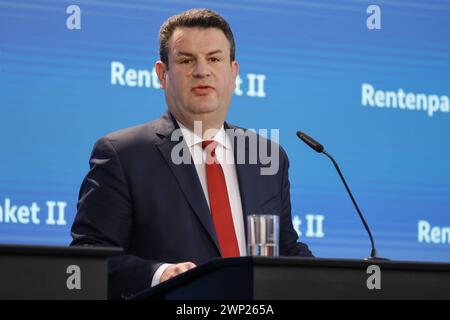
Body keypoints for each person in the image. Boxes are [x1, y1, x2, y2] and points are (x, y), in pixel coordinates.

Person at [70, 8, 313, 300]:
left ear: (233, 72)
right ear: (162, 74)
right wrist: (160, 274)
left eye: (214, 58)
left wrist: (335, 277)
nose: (202, 71)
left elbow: (286, 247)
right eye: (186, 60)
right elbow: (89, 259)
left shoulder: (266, 155)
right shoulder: (122, 155)